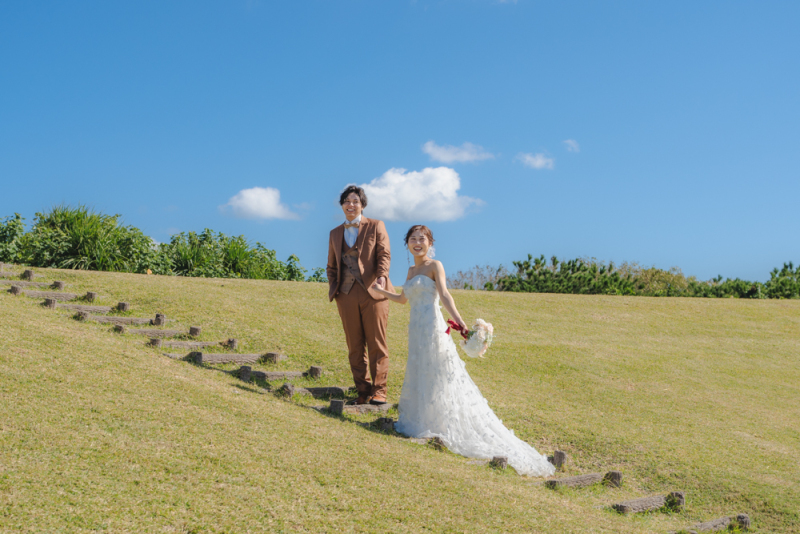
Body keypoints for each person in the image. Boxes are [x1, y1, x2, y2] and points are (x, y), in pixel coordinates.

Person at [371, 225, 555, 476]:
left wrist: (460, 322)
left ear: (430, 243)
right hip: (415, 330)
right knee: (421, 369)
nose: (417, 243)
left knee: (440, 370)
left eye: (421, 239)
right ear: (407, 245)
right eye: (412, 239)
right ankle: (424, 419)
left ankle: (444, 423)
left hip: (433, 326)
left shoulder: (436, 266)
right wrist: (382, 292)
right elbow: (404, 299)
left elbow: (445, 295)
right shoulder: (412, 270)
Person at [327, 185, 393, 406]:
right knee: (354, 346)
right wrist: (335, 288)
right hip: (345, 294)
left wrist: (382, 277)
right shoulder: (334, 233)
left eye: (355, 201)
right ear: (342, 205)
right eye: (347, 201)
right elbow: (331, 266)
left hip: (374, 291)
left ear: (362, 205)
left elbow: (384, 253)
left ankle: (379, 390)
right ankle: (362, 391)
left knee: (376, 343)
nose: (351, 204)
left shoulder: (376, 225)